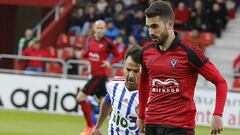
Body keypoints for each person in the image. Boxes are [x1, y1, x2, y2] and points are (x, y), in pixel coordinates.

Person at [137, 1, 228, 135]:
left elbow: (220, 82)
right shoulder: (146, 51)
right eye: (148, 27)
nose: (150, 32)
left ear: (169, 25)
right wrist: (141, 115)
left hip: (180, 126)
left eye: (155, 26)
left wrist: (217, 114)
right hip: (152, 123)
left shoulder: (190, 52)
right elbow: (144, 81)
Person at [76, 19, 122, 135]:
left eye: (102, 28)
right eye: (98, 28)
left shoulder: (108, 43)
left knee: (80, 98)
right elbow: (89, 54)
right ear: (94, 29)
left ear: (105, 29)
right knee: (107, 106)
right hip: (96, 77)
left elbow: (119, 55)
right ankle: (101, 129)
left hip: (99, 77)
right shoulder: (90, 41)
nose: (100, 30)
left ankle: (90, 126)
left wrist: (110, 63)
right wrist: (82, 55)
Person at [92, 45, 142, 135]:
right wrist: (98, 126)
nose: (130, 75)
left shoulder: (149, 95)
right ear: (123, 66)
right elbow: (107, 101)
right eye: (128, 69)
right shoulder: (114, 84)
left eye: (136, 71)